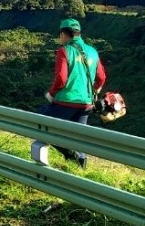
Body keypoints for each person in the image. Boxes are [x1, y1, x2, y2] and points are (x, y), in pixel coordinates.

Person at [38, 18, 106, 169]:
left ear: (63, 34)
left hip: (65, 101)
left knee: (42, 125)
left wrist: (51, 93)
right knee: (78, 137)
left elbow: (61, 78)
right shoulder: (93, 52)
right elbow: (101, 77)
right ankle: (80, 167)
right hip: (86, 103)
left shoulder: (64, 51)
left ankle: (70, 155)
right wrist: (94, 90)